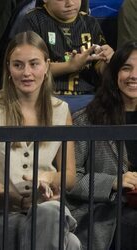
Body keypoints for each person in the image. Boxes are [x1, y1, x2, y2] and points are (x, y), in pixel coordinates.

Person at [0, 31, 81, 249]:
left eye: (34, 64)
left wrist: (50, 178)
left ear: (47, 65)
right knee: (71, 243)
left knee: (50, 213)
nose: (26, 73)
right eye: (18, 65)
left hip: (46, 208)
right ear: (8, 68)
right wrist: (17, 200)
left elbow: (69, 176)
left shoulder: (61, 110)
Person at [66, 40, 137, 249]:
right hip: (106, 211)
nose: (134, 76)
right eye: (126, 68)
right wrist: (114, 182)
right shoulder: (86, 119)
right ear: (114, 74)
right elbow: (70, 181)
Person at [16, 0, 114, 113]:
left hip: (88, 98)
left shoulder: (90, 23)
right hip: (46, 98)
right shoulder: (33, 20)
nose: (70, 3)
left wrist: (108, 60)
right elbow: (27, 68)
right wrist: (70, 66)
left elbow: (100, 68)